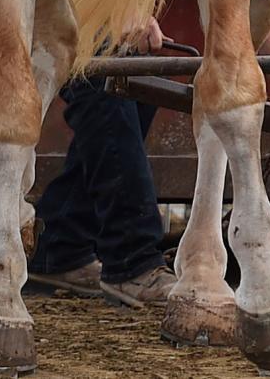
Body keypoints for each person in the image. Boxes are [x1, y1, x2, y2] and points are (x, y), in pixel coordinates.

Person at [25, 17, 178, 307]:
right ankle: (132, 260)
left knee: (138, 68)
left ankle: (60, 244)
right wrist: (127, 9)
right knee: (101, 69)